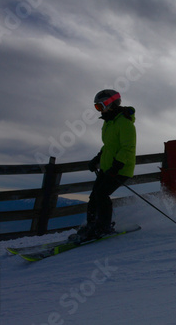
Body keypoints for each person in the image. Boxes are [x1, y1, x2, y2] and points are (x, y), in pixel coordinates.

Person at [72, 89, 136, 242]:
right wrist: (97, 159)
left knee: (102, 194)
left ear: (111, 104)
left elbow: (128, 148)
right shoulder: (108, 123)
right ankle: (92, 225)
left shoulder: (125, 123)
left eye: (100, 107)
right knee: (94, 196)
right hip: (108, 167)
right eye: (97, 108)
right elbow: (108, 146)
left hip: (121, 168)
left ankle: (104, 227)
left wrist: (116, 166)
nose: (99, 110)